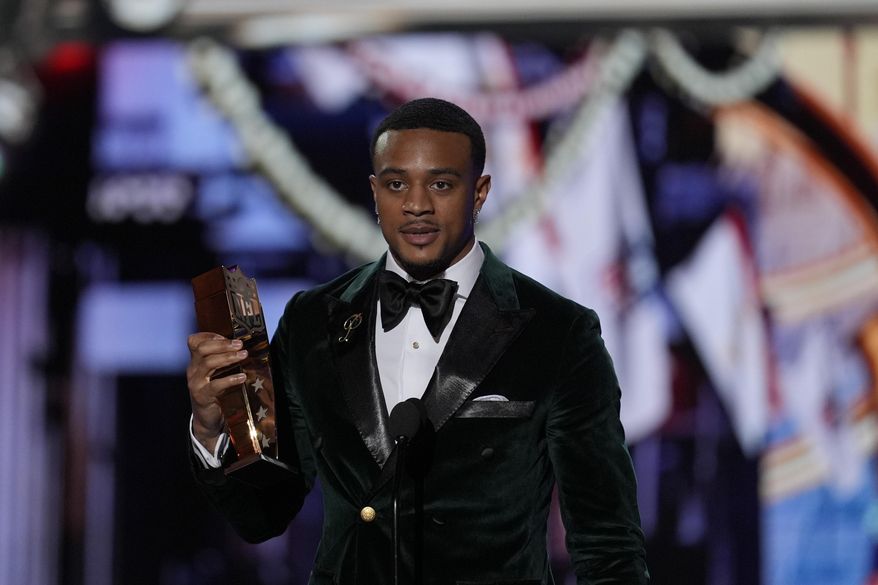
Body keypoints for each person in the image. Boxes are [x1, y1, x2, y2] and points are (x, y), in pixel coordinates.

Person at [186, 97, 649, 584]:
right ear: (374, 192)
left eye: (441, 184)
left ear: (480, 192)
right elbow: (261, 515)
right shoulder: (311, 321)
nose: (416, 204)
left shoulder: (558, 332)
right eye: (396, 183)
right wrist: (212, 426)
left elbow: (607, 545)